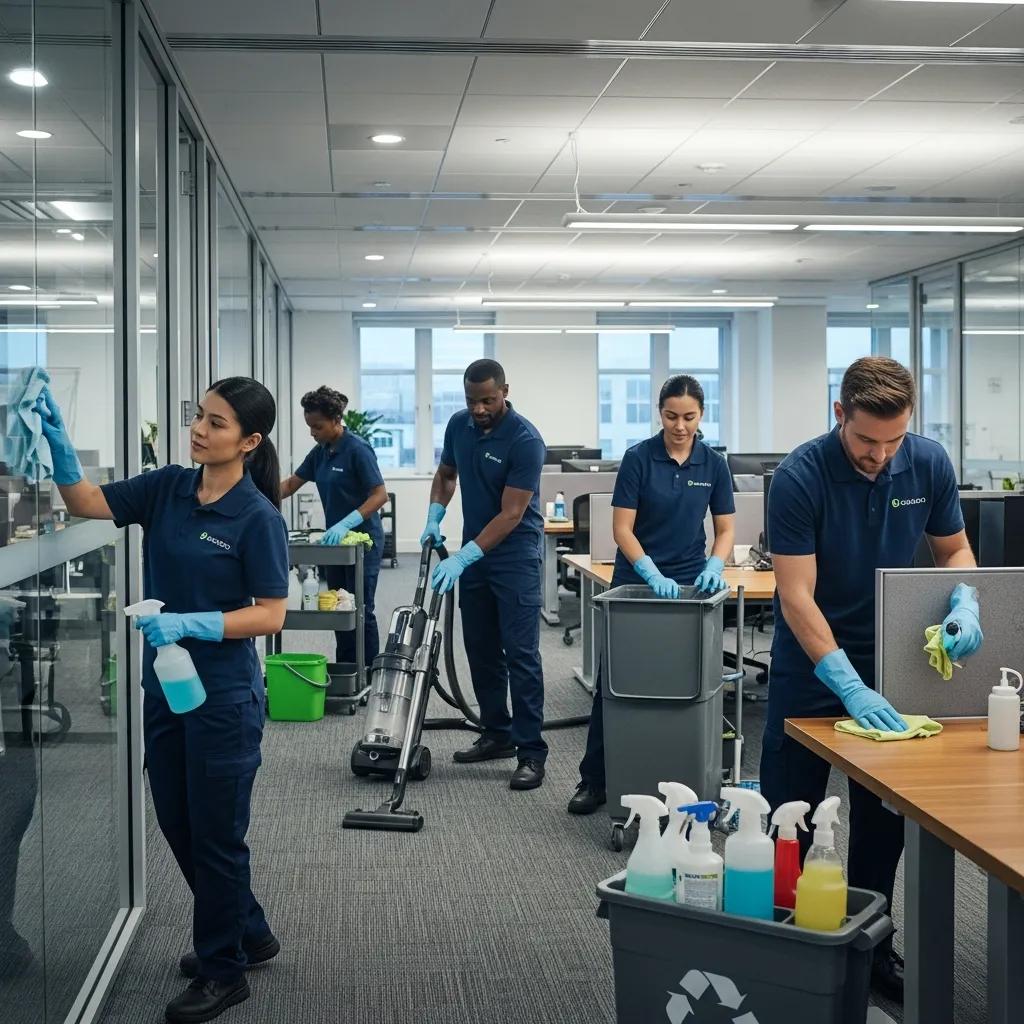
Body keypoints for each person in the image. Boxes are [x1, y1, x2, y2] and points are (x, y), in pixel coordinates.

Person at [39, 377, 289, 1024]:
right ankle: (249, 929)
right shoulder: (169, 486)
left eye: (218, 423)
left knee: (216, 834)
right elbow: (88, 501)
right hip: (166, 688)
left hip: (222, 699)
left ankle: (223, 969)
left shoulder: (256, 517)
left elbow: (270, 615)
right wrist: (59, 443)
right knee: (179, 821)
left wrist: (195, 622)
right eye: (199, 417)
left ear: (250, 440)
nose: (200, 431)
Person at [763, 356, 982, 1002]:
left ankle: (872, 949)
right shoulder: (801, 476)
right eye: (866, 441)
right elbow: (797, 596)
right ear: (840, 415)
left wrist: (962, 597)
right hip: (811, 664)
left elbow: (954, 550)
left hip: (893, 663)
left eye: (893, 441)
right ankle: (785, 949)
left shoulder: (928, 462)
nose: (881, 456)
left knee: (883, 825)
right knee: (788, 818)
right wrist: (845, 683)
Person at [568, 374, 736, 814]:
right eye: (670, 416)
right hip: (639, 581)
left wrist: (715, 565)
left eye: (689, 417)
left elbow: (725, 529)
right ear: (659, 413)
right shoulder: (639, 458)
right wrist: (649, 572)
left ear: (702, 415)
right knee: (618, 682)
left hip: (690, 586)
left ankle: (679, 773)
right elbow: (621, 527)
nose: (680, 426)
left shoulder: (713, 464)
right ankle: (595, 780)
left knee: (683, 681)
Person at [421, 359, 548, 791]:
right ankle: (496, 732)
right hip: (474, 553)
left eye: (487, 400)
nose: (478, 409)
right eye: (472, 400)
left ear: (505, 391)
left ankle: (531, 751)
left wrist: (462, 557)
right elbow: (446, 473)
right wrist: (435, 514)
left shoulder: (525, 440)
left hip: (515, 557)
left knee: (521, 654)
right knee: (480, 648)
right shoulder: (459, 426)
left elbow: (512, 514)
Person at [281, 385, 387, 666]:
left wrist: (348, 522)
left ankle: (369, 670)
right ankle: (347, 668)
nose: (312, 432)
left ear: (335, 420)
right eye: (309, 426)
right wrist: (254, 495)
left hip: (364, 540)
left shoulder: (357, 450)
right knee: (338, 605)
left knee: (361, 607)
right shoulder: (321, 452)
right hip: (335, 543)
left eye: (317, 426)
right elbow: (291, 484)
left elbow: (380, 495)